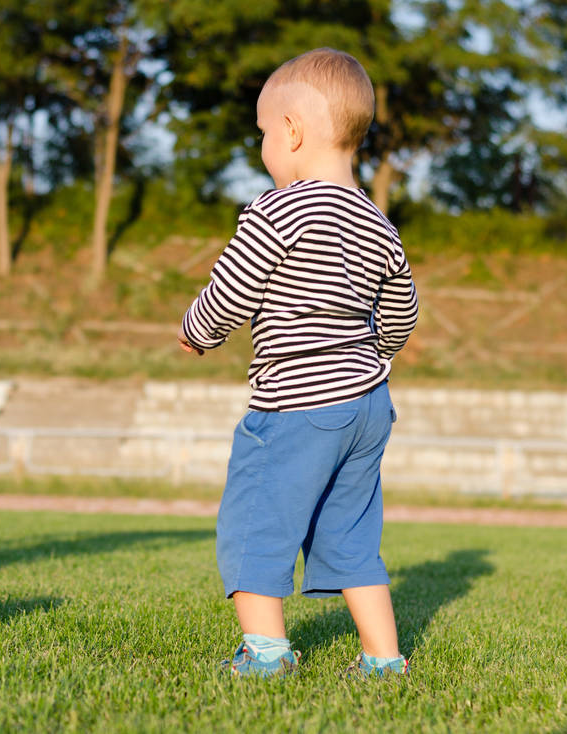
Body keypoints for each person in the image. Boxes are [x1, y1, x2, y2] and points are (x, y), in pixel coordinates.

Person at [178, 47, 419, 679]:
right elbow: (402, 311)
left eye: (262, 132)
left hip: (296, 406)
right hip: (367, 406)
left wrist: (196, 331)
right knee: (351, 536)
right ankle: (384, 659)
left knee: (255, 521)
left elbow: (233, 288)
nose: (262, 146)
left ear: (292, 132)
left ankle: (266, 654)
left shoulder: (276, 210)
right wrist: (372, 359)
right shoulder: (377, 222)